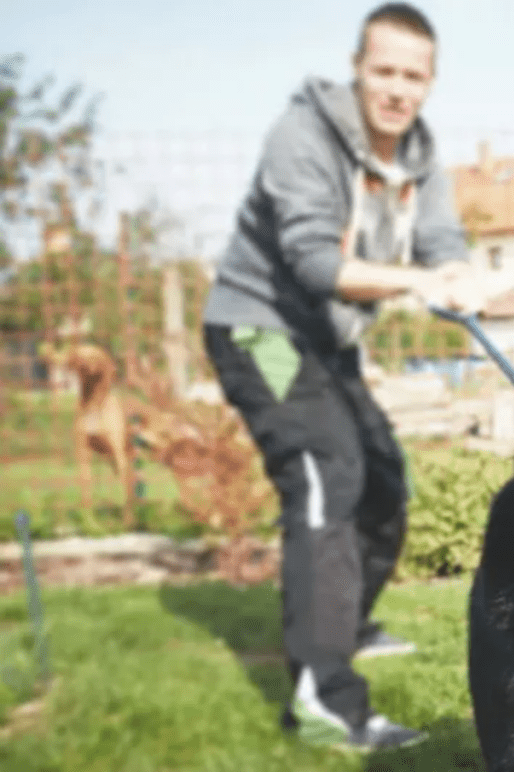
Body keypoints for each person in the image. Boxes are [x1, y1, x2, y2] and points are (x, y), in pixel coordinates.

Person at [201, 2, 480, 752]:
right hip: (261, 329)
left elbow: (443, 242)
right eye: (383, 70)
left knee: (385, 482)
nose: (396, 88)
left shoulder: (420, 156)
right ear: (358, 68)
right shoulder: (304, 135)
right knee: (328, 471)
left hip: (328, 345)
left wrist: (460, 276)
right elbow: (315, 263)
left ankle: (345, 622)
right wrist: (417, 284)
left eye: (412, 76)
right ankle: (325, 698)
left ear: (430, 82)